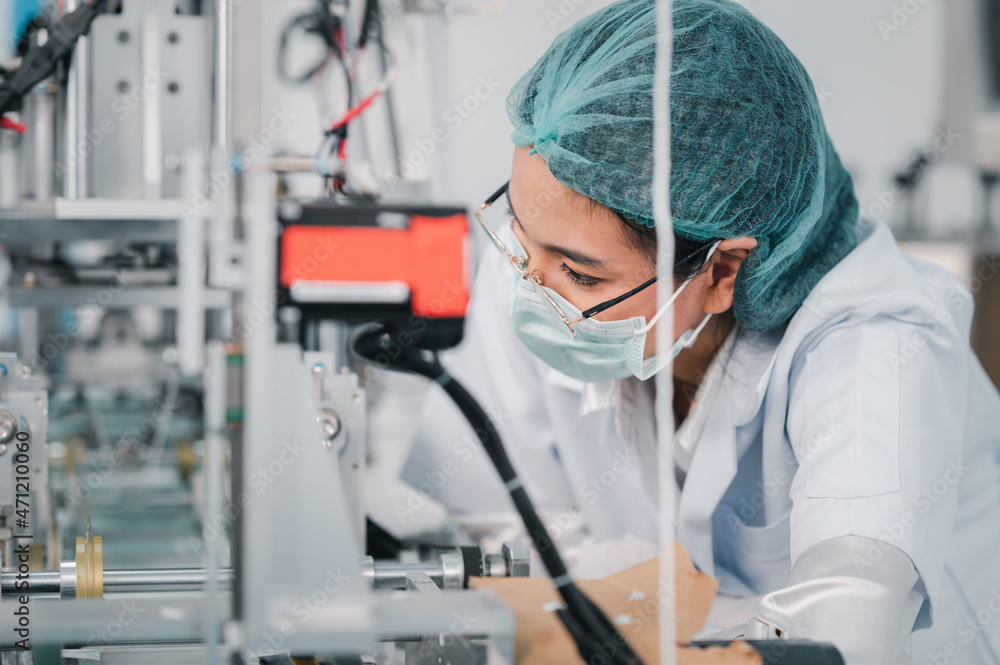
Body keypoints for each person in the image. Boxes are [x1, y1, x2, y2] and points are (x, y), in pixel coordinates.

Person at [401, 1, 1000, 663]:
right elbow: (488, 536)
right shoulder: (536, 261)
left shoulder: (879, 347)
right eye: (519, 238)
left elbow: (840, 638)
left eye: (579, 275)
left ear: (722, 269)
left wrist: (629, 620)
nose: (529, 286)